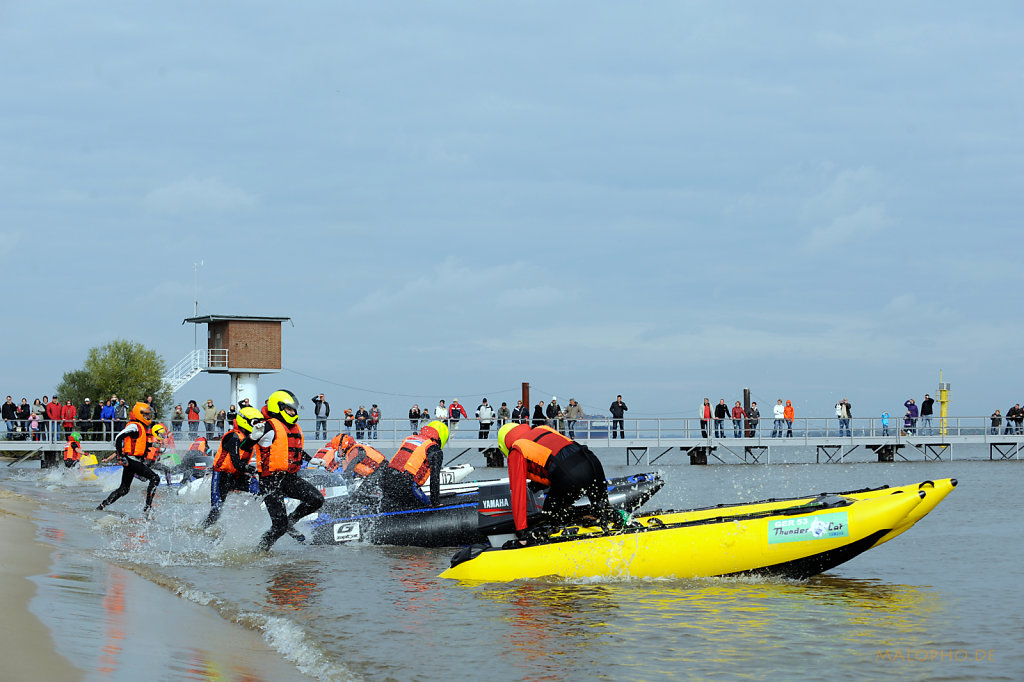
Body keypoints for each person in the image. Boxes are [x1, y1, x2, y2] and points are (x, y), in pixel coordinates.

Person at [497, 423, 612, 541]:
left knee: (549, 514)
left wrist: (521, 532)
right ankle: (609, 518)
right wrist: (537, 484)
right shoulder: (543, 428)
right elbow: (555, 456)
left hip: (570, 474)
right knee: (603, 509)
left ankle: (587, 516)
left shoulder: (517, 449)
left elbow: (518, 492)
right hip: (592, 462)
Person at [254, 390, 323, 551]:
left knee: (317, 499)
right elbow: (250, 442)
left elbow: (291, 449)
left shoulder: (292, 428)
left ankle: (291, 522)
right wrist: (253, 435)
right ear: (278, 408)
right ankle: (258, 552)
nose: (293, 412)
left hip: (289, 478)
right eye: (289, 409)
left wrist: (310, 459)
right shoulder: (267, 426)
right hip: (270, 480)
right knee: (279, 527)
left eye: (294, 409)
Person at [201, 406, 264, 529]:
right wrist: (254, 470)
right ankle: (202, 529)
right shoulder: (233, 437)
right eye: (256, 423)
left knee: (262, 491)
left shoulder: (252, 438)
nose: (258, 426)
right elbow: (236, 463)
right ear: (245, 421)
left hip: (238, 475)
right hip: (221, 477)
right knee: (216, 511)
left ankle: (247, 520)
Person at [96, 402, 161, 514]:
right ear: (139, 414)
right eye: (146, 415)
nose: (148, 417)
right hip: (131, 460)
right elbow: (118, 437)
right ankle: (147, 508)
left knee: (124, 489)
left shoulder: (140, 426)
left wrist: (151, 445)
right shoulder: (134, 425)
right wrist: (121, 456)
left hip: (131, 461)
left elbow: (136, 443)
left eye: (148, 415)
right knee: (155, 478)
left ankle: (102, 506)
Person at [375, 420, 448, 510]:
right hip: (404, 484)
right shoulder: (434, 448)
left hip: (385, 479)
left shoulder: (410, 438)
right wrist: (435, 502)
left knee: (394, 503)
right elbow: (435, 478)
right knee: (426, 505)